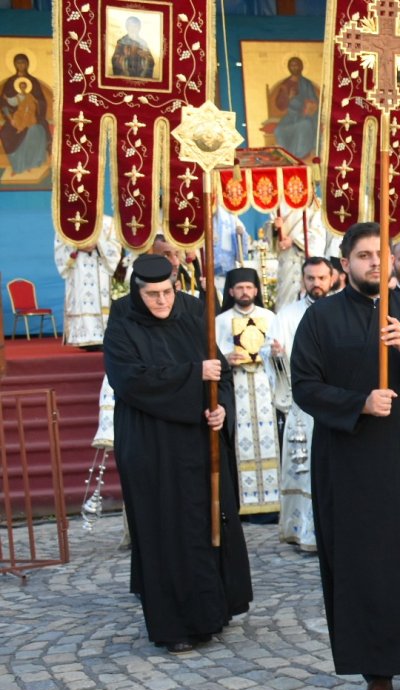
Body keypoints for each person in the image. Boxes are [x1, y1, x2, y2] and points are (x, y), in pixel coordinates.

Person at [291, 221, 400, 690]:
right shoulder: (321, 321)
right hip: (353, 462)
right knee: (365, 565)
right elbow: (304, 385)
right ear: (346, 264)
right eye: (363, 256)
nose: (374, 263)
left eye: (381, 255)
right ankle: (377, 673)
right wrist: (358, 402)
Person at [103, 253, 252, 653]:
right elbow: (129, 380)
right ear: (138, 292)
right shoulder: (123, 320)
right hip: (152, 444)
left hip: (199, 441)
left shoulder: (191, 309)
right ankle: (173, 626)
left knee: (205, 522)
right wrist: (193, 377)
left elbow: (218, 369)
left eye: (167, 292)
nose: (162, 302)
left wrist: (220, 406)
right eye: (152, 295)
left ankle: (213, 611)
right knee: (165, 529)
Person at [267, 257, 334, 551]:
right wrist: (276, 355)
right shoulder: (287, 314)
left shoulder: (340, 310)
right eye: (311, 278)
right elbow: (272, 356)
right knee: (304, 464)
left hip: (336, 400)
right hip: (304, 404)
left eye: (321, 278)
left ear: (332, 278)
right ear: (302, 280)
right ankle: (305, 531)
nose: (316, 283)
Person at [215, 268, 280, 516]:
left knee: (269, 440)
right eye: (240, 288)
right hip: (236, 388)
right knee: (240, 442)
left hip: (265, 386)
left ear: (256, 290)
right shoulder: (220, 321)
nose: (245, 292)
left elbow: (280, 354)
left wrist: (278, 354)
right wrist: (225, 359)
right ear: (231, 291)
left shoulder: (269, 316)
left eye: (249, 287)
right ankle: (243, 504)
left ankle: (273, 505)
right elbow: (213, 354)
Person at [54, 215, 121, 348]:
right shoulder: (66, 220)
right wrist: (77, 244)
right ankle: (81, 337)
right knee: (80, 299)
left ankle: (103, 337)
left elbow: (115, 245)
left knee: (100, 301)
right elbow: (60, 246)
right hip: (78, 268)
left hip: (100, 267)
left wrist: (98, 243)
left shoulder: (108, 222)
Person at [1, 53, 51, 178]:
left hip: (33, 117)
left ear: (27, 64)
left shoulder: (33, 82)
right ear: (14, 65)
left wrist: (32, 102)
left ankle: (31, 164)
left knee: (36, 130)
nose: (21, 65)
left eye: (23, 62)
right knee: (5, 133)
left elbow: (42, 101)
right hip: (14, 118)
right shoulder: (10, 82)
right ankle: (17, 165)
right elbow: (3, 102)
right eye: (18, 63)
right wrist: (10, 118)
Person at [272, 200, 326, 310]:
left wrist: (294, 241)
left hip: (306, 256)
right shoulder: (279, 202)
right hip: (286, 258)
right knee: (286, 297)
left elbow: (318, 231)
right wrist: (274, 228)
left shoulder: (314, 202)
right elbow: (271, 226)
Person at [270, 57, 319, 160]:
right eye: (292, 65)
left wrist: (309, 108)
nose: (294, 67)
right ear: (288, 67)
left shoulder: (307, 84)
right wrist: (289, 97)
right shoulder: (285, 84)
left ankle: (301, 155)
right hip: (291, 116)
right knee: (279, 130)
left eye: (296, 65)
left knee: (304, 125)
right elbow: (280, 105)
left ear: (301, 67)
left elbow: (314, 101)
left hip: (305, 115)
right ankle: (287, 155)